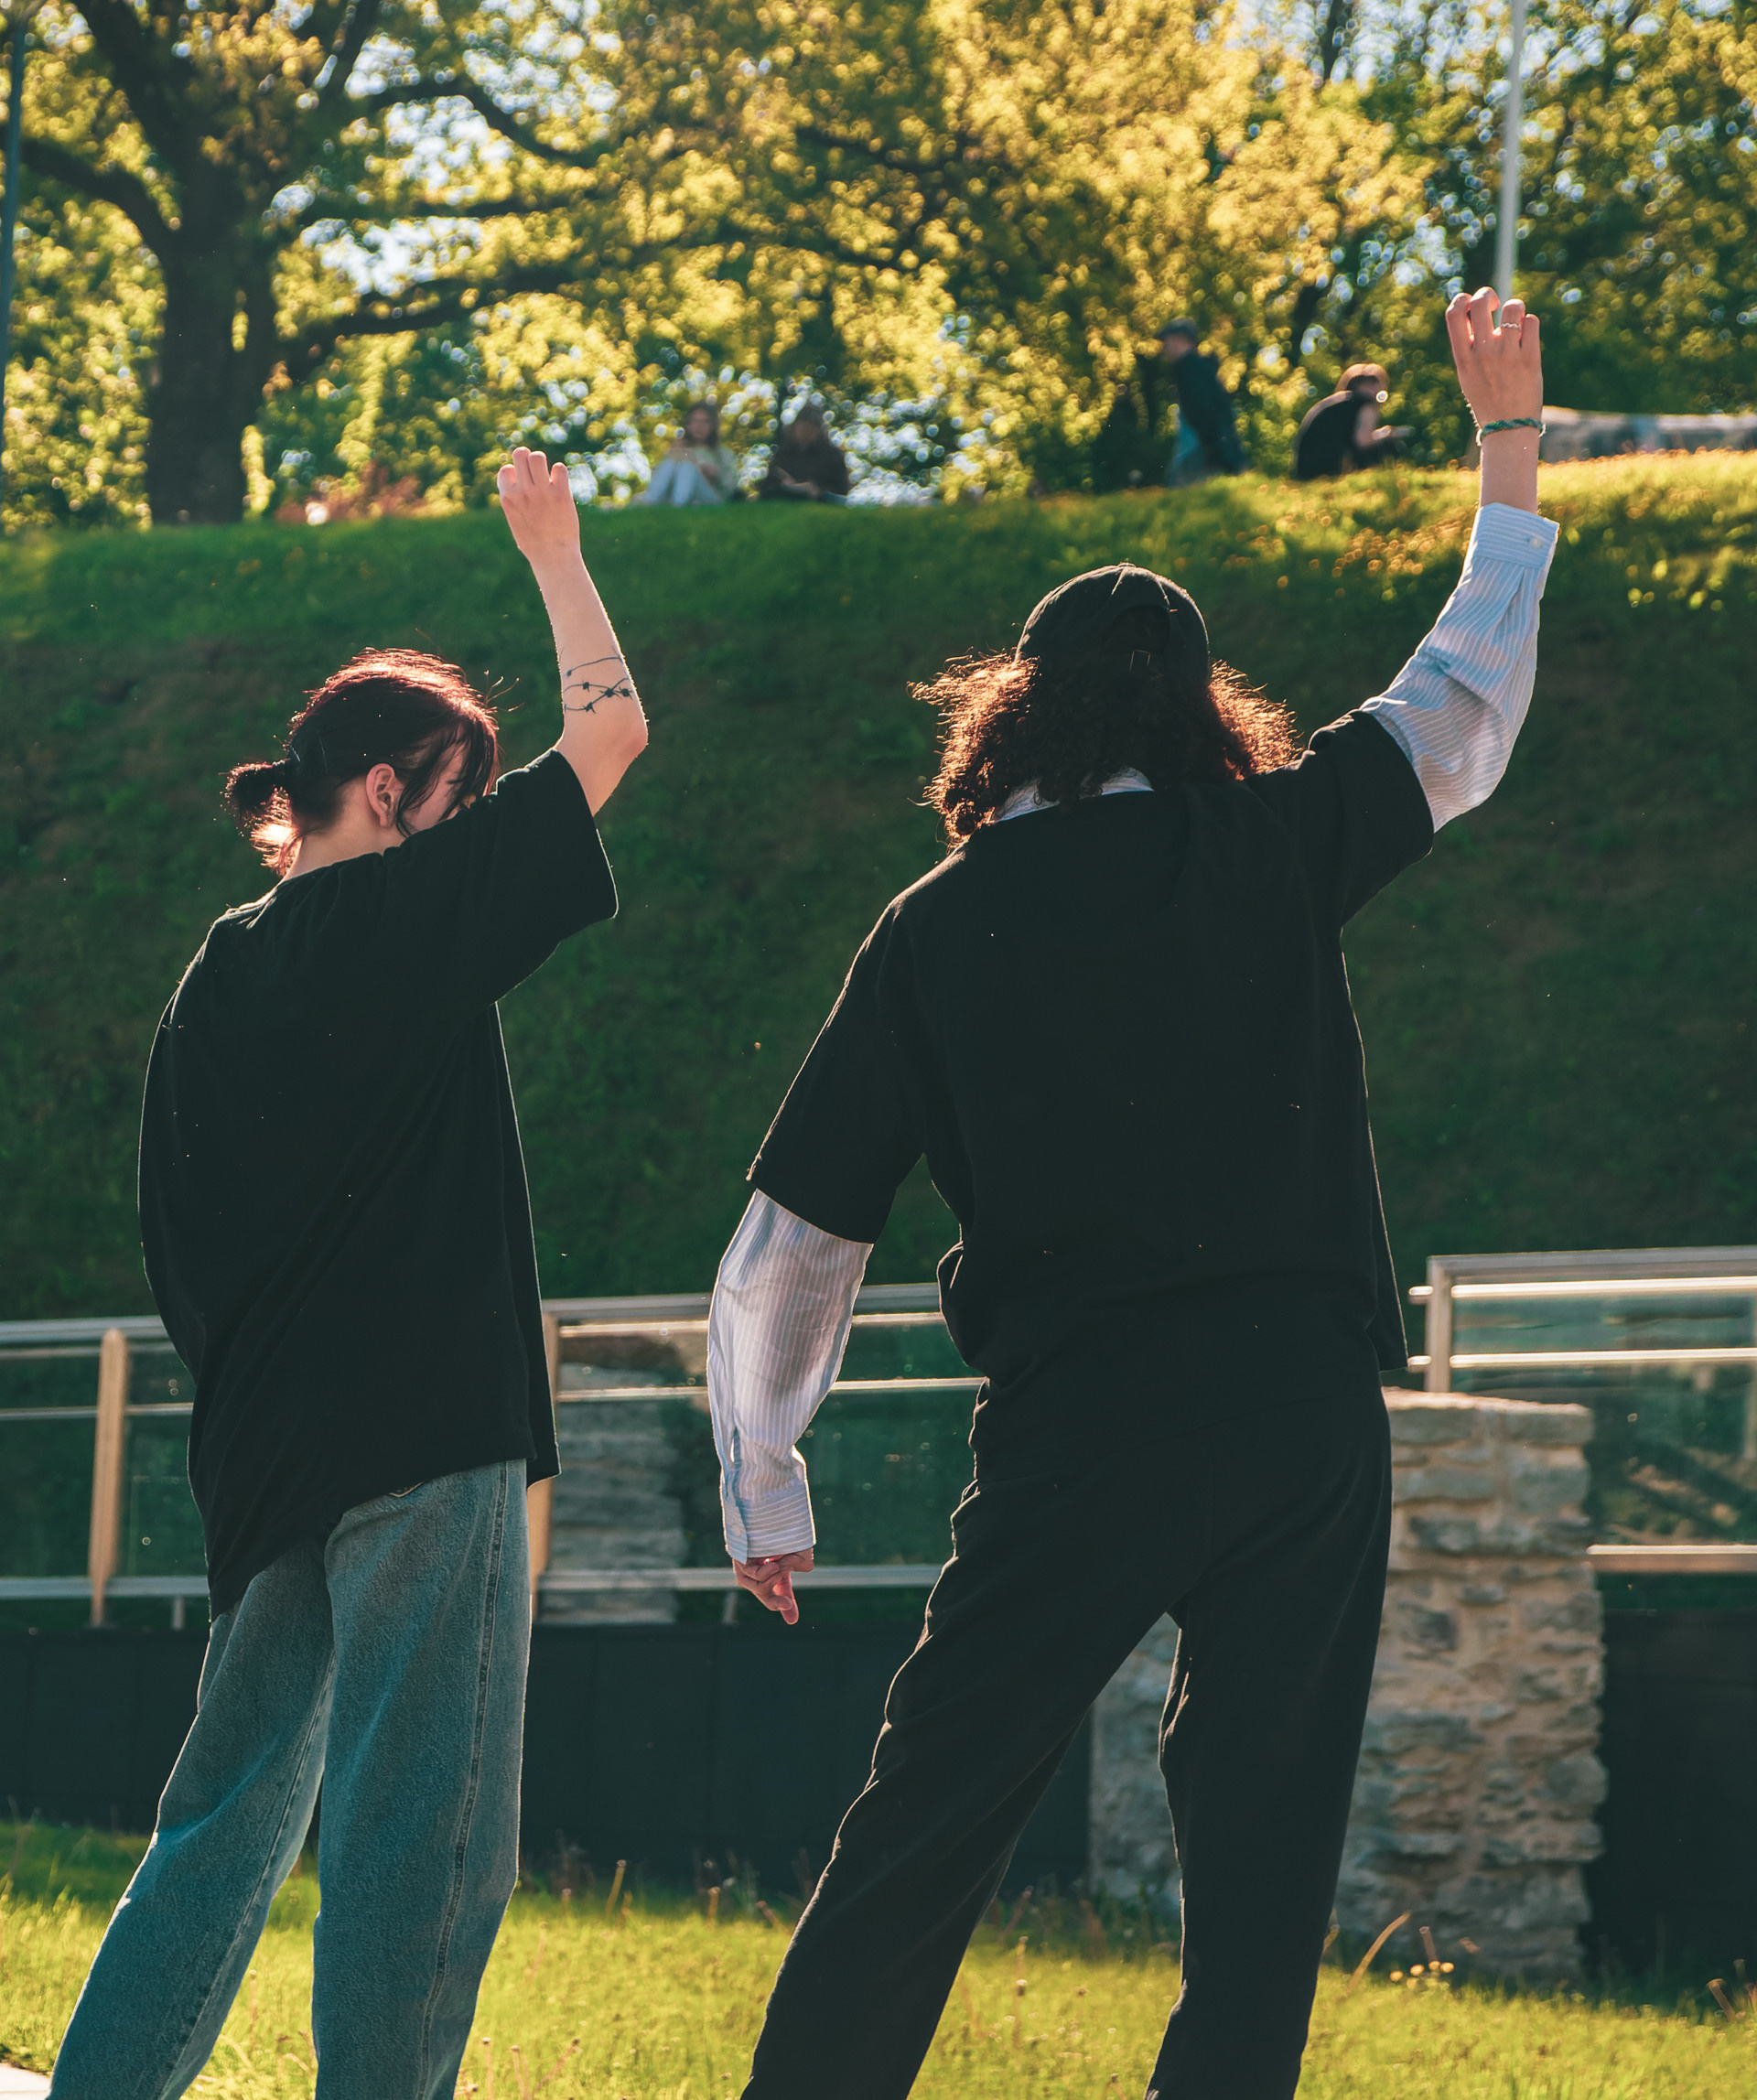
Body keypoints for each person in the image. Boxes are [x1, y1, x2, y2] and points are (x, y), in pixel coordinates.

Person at [707, 291, 1552, 2100]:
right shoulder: (1270, 839)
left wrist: (763, 1469)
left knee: (929, 1816)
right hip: (1304, 1410)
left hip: (1088, 1416)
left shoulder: (935, 929)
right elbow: (1463, 705)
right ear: (1195, 707)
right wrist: (1507, 447)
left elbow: (801, 1234)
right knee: (1258, 1858)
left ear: (1017, 709)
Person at [47, 449, 646, 2100]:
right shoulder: (407, 915)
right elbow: (614, 734)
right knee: (419, 1841)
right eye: (462, 788)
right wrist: (554, 549)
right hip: (421, 1444)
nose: (471, 817)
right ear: (389, 790)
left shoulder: (211, 981)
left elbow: (176, 1249)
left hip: (267, 1464)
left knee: (222, 1823)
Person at [1155, 317, 1246, 487]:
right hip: (1206, 449)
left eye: (1166, 341)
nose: (1163, 347)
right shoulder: (1198, 367)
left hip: (1199, 453)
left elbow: (1204, 412)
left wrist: (1215, 448)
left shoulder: (1190, 368)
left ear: (1179, 338)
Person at [1296, 361, 1415, 480]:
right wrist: (1388, 434)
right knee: (1391, 446)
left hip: (1307, 469)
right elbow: (1363, 441)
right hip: (1330, 468)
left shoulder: (1340, 401)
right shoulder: (1367, 404)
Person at [638, 399, 741, 505]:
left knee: (688, 467)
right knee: (672, 463)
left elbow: (732, 487)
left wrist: (717, 476)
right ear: (688, 425)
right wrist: (674, 453)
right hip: (677, 493)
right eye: (695, 421)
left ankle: (678, 505)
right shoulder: (682, 448)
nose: (699, 426)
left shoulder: (723, 453)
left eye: (705, 421)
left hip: (712, 496)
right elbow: (663, 474)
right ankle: (649, 501)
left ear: (713, 425)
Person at [760, 400, 851, 502]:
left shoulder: (832, 457)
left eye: (811, 428)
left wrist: (816, 490)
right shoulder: (783, 455)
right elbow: (766, 490)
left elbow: (841, 492)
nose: (806, 432)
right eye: (803, 426)